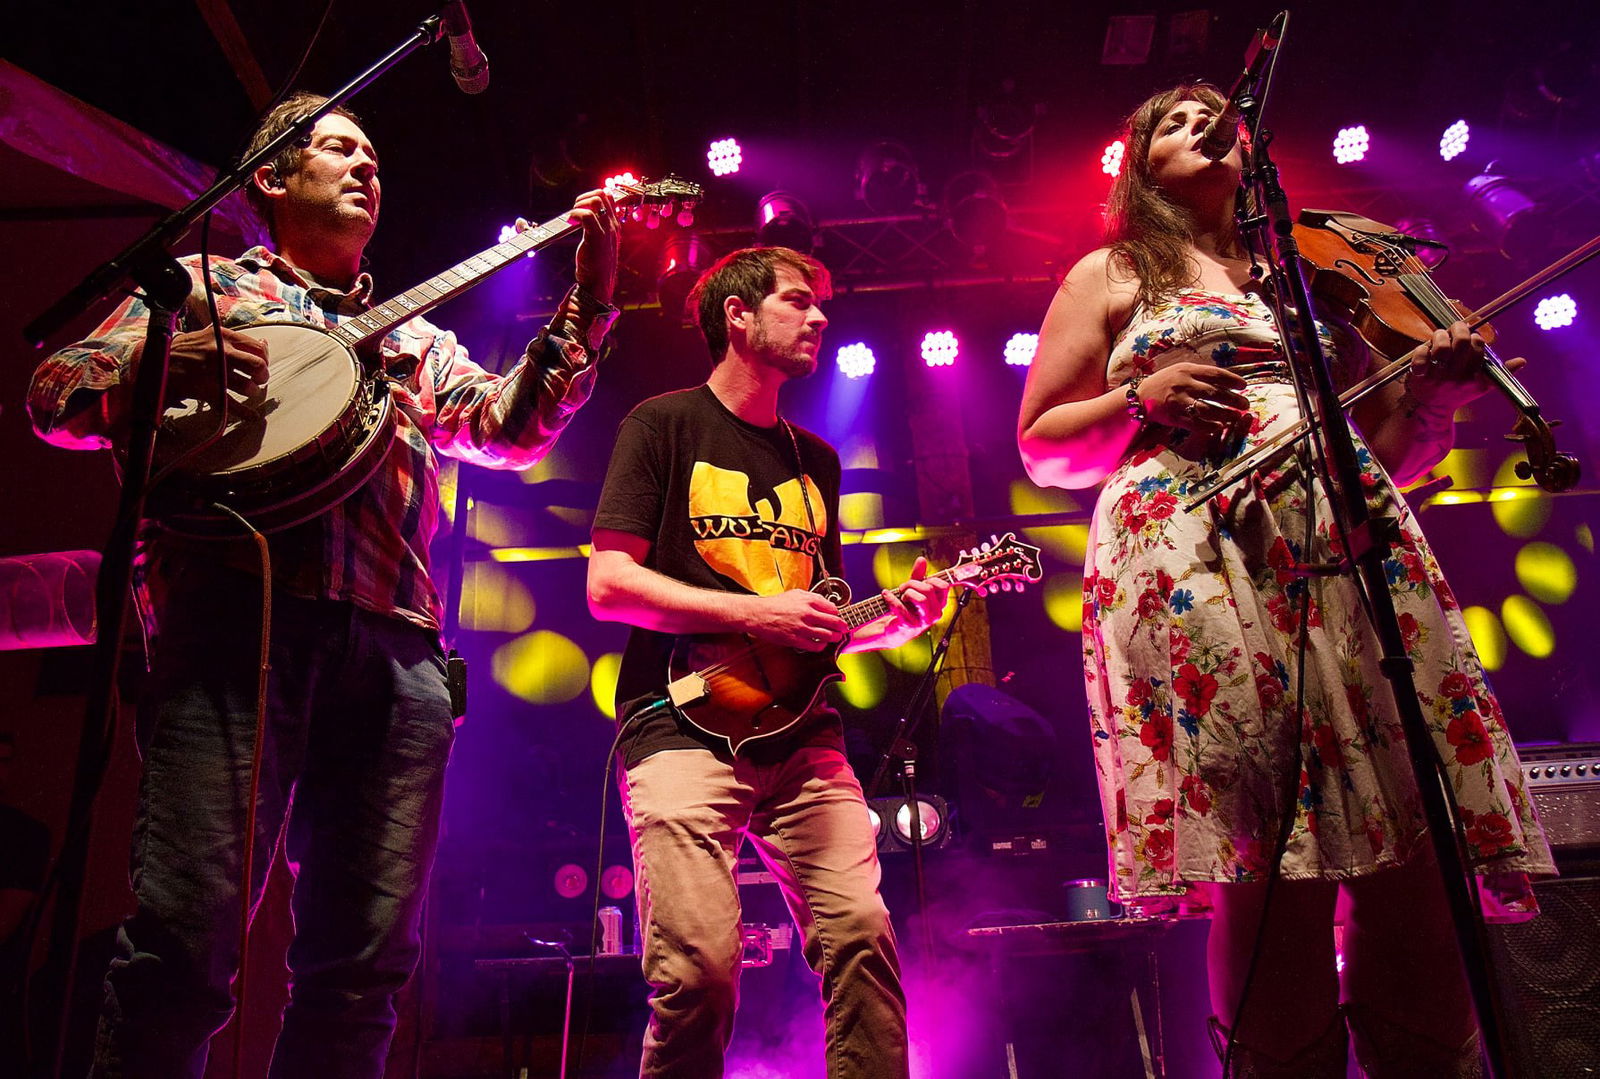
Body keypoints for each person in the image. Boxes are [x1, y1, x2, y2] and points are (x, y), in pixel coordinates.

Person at [27, 91, 620, 1078]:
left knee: (362, 969)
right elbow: (55, 393)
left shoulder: (417, 338)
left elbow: (510, 430)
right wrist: (159, 365)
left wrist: (588, 301)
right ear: (268, 176)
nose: (366, 168)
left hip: (397, 650)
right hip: (234, 622)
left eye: (374, 158)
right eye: (340, 148)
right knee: (184, 947)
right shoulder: (202, 288)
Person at [1016, 83, 1555, 1077]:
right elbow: (1042, 446)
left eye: (1215, 111)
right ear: (1137, 164)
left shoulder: (1304, 279)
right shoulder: (1114, 271)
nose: (1204, 122)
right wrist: (1142, 394)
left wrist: (1428, 400)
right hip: (1196, 560)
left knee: (1409, 844)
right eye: (1174, 119)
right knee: (1266, 853)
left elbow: (1381, 453)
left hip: (1344, 555)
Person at [587, 245, 950, 1079]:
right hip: (680, 723)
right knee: (698, 973)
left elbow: (814, 629)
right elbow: (608, 585)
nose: (819, 317)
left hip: (801, 734)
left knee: (861, 934)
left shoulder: (815, 460)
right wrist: (757, 611)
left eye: (821, 304)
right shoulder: (662, 424)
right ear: (738, 316)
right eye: (797, 300)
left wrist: (892, 622)